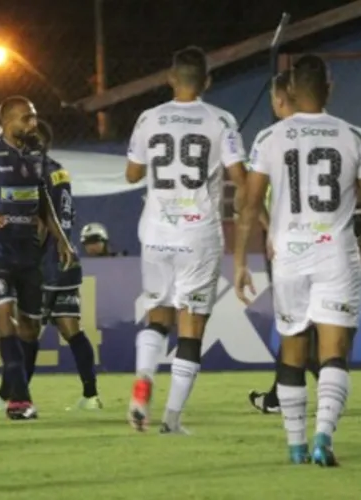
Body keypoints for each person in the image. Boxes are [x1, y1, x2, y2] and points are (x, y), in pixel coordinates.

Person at [234, 54, 361, 466]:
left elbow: (248, 204)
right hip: (336, 251)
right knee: (334, 352)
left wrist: (240, 261)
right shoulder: (354, 136)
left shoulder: (269, 138)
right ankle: (323, 438)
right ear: (329, 89)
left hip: (289, 257)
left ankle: (296, 445)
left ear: (291, 92)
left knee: (292, 350)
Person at [125, 46, 248, 434]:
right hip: (197, 234)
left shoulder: (149, 118)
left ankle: (143, 382)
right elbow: (240, 178)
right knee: (191, 329)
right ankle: (172, 419)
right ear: (207, 81)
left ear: (170, 78)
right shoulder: (221, 120)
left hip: (156, 232)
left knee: (157, 314)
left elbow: (132, 175)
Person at [0, 96, 74, 420]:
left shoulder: (36, 157)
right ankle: (19, 400)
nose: (32, 124)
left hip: (28, 254)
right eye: (25, 119)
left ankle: (13, 389)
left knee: (31, 329)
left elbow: (44, 201)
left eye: (33, 117)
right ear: (6, 122)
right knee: (5, 315)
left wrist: (62, 240)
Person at [0, 120, 101, 411]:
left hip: (43, 259)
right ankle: (91, 395)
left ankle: (11, 397)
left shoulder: (31, 171)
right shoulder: (59, 171)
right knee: (70, 328)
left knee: (26, 330)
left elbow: (38, 219)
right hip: (66, 258)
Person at [247, 69, 321, 415]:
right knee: (315, 320)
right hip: (326, 242)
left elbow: (248, 199)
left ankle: (294, 392)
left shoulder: (271, 139)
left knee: (295, 322)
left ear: (280, 100)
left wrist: (269, 229)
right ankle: (321, 383)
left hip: (287, 246)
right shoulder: (330, 132)